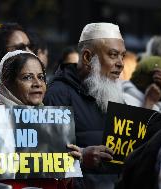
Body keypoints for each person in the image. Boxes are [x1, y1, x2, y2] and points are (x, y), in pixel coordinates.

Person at [0, 50, 69, 189]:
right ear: (7, 84)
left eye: (41, 77)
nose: (37, 83)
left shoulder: (54, 128)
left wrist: (71, 165)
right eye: (27, 77)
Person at [44, 22, 126, 189]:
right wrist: (81, 157)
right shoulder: (58, 94)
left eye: (122, 56)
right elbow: (44, 160)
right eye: (113, 55)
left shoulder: (115, 95)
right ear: (88, 57)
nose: (121, 63)